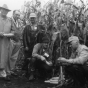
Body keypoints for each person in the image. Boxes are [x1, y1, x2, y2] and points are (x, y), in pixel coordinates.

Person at [22, 12, 45, 77]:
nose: (32, 20)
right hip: (28, 45)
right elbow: (24, 37)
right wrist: (25, 45)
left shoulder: (38, 27)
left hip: (35, 45)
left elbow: (41, 36)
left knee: (34, 58)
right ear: (30, 19)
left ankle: (34, 71)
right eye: (31, 18)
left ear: (36, 19)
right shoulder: (27, 27)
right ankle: (25, 71)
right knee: (26, 58)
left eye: (33, 18)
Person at [0, 4, 15, 81]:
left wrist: (7, 35)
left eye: (6, 10)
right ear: (0, 10)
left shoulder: (10, 20)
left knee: (4, 56)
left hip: (6, 41)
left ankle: (3, 73)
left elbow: (13, 31)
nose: (4, 11)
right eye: (3, 9)